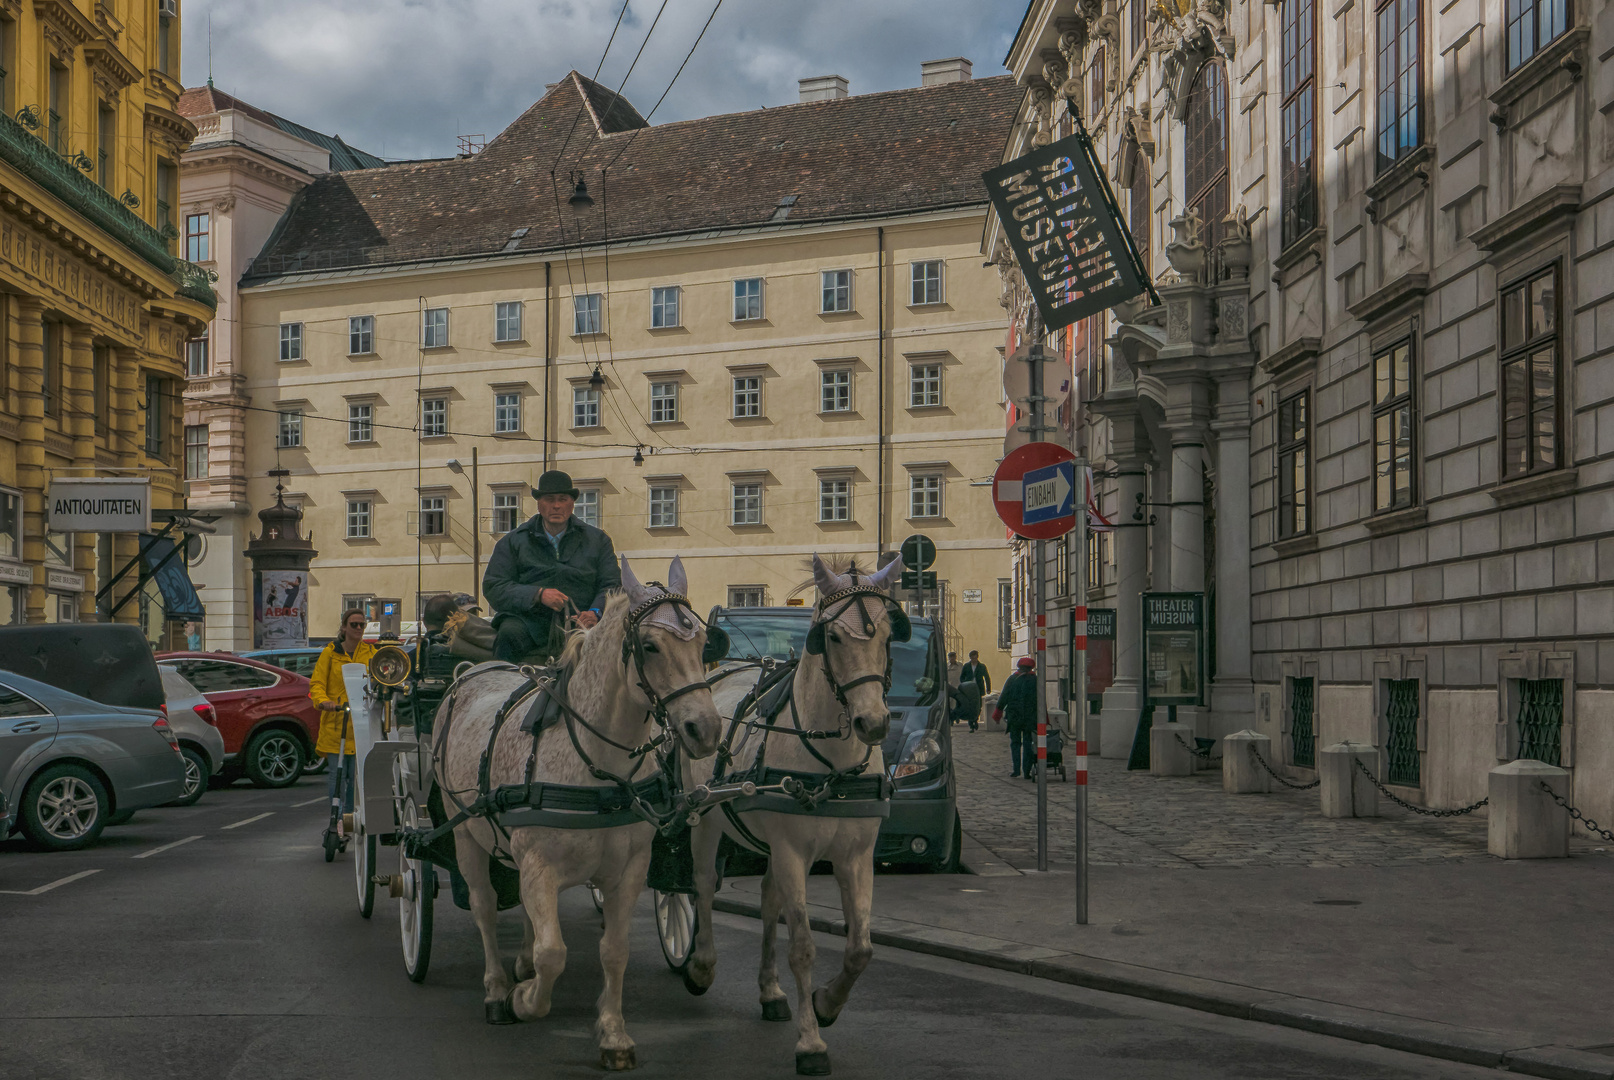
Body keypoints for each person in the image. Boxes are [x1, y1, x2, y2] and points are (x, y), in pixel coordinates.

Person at [482, 470, 622, 664]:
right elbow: (494, 586)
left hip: (582, 621)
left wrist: (595, 612)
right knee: (508, 634)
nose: (556, 505)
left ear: (572, 504)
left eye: (563, 499)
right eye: (549, 499)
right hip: (529, 623)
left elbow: (612, 585)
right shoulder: (514, 541)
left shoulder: (598, 541)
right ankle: (502, 691)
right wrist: (537, 594)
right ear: (539, 504)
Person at [308, 608, 378, 815]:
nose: (358, 628)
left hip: (361, 724)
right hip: (336, 723)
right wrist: (324, 701)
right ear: (344, 627)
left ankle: (350, 819)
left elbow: (379, 680)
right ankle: (337, 818)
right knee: (337, 776)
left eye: (361, 625)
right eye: (354, 624)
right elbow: (317, 683)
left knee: (356, 777)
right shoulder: (330, 653)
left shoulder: (371, 653)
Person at [993, 657, 1039, 779]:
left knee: (1015, 743)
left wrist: (998, 712)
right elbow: (1040, 700)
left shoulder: (1013, 679)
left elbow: (1004, 696)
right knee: (1028, 743)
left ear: (1019, 667)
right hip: (1030, 717)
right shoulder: (1035, 680)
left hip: (1015, 717)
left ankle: (1016, 769)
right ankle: (1027, 771)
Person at [958, 649, 992, 732]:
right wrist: (964, 684)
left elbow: (987, 677)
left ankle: (975, 720)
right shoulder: (966, 666)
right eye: (972, 658)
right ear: (970, 658)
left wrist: (988, 688)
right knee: (970, 706)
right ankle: (971, 724)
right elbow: (962, 677)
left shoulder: (982, 666)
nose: (974, 659)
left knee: (978, 706)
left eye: (975, 658)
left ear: (977, 658)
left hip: (979, 688)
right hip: (969, 689)